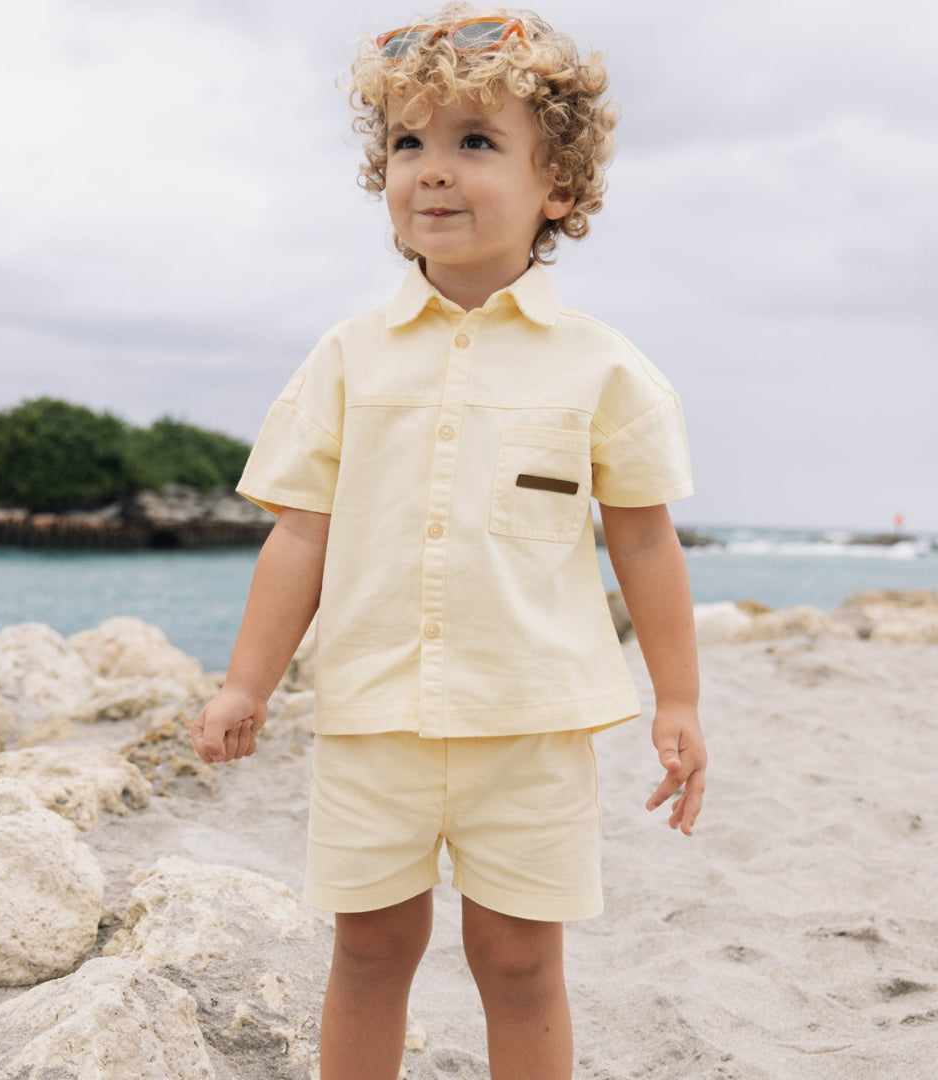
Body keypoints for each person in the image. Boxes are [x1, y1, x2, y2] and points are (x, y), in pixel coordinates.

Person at [192, 5, 707, 1078]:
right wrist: (248, 683)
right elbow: (301, 535)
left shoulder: (602, 369)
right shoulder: (347, 358)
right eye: (407, 143)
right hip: (372, 716)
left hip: (532, 724)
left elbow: (646, 545)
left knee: (518, 961)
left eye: (475, 141)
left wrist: (679, 701)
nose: (432, 168)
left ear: (557, 185)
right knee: (369, 949)